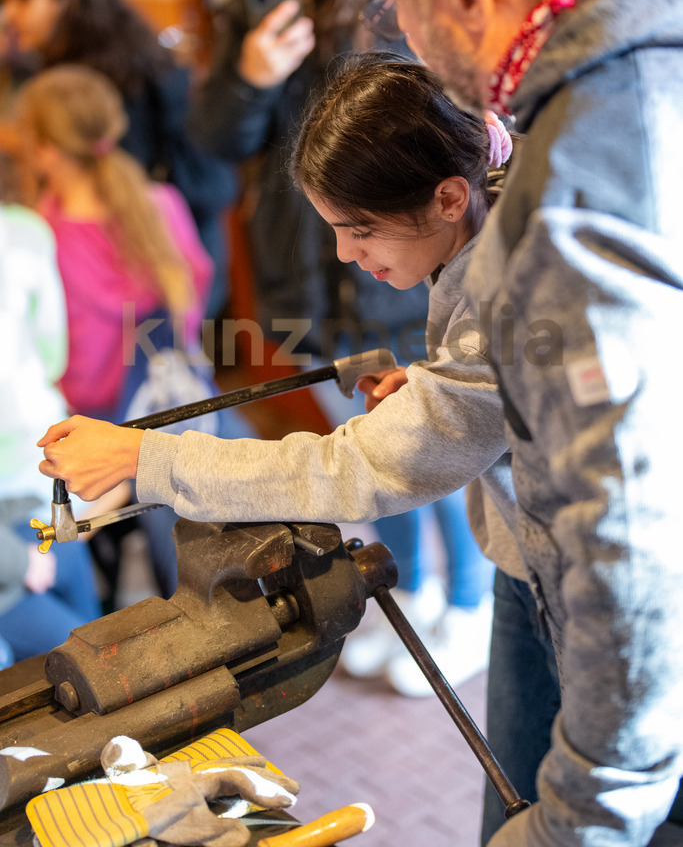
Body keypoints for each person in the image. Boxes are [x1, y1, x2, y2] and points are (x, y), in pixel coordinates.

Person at [37, 55, 555, 831]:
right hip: (530, 563)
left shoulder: (510, 283)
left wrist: (145, 459)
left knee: (554, 809)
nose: (345, 252)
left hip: (577, 579)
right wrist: (438, 386)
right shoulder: (491, 211)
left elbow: (364, 466)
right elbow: (496, 382)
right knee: (520, 793)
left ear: (449, 197)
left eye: (359, 229)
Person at [295, 0, 682, 845]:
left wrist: (578, 817)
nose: (406, 40)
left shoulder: (577, 185)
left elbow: (630, 540)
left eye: (393, 5)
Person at [190, 0, 494, 691]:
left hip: (397, 272)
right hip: (312, 278)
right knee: (366, 438)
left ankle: (468, 600)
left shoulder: (387, 5)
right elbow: (215, 142)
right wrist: (250, 76)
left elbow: (429, 136)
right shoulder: (256, 11)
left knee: (433, 433)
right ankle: (415, 588)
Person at [14, 63, 250, 601]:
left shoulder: (41, 237)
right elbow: (194, 303)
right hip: (180, 405)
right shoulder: (161, 205)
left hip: (97, 426)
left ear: (45, 151)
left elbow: (55, 363)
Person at [0, 0, 236, 318]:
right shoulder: (123, 46)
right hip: (176, 242)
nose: (10, 14)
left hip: (154, 256)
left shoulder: (100, 80)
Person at [0, 180, 101, 660]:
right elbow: (53, 356)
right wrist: (16, 562)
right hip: (39, 467)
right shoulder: (24, 231)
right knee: (91, 648)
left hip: (27, 486)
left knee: (89, 647)